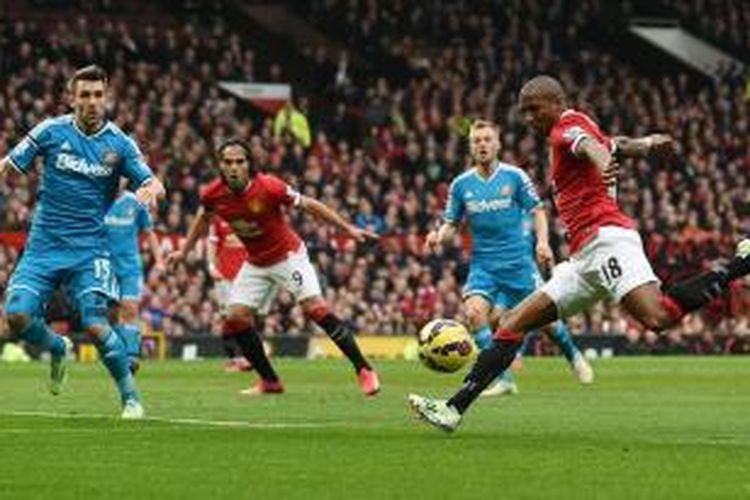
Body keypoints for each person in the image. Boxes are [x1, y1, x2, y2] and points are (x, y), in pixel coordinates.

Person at [408, 75, 750, 432]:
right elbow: (612, 144)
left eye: (533, 109)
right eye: (524, 112)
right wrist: (647, 144)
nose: (528, 119)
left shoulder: (565, 129)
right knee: (511, 324)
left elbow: (591, 146)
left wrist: (603, 161)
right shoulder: (576, 126)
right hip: (584, 258)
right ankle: (452, 410)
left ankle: (742, 262)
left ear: (555, 103)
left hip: (607, 241)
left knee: (658, 317)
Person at [0, 65, 165, 419]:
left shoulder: (119, 144)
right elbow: (8, 166)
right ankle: (58, 346)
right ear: (71, 98)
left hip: (91, 248)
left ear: (106, 97)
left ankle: (131, 398)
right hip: (43, 245)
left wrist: (148, 192)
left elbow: (153, 182)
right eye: (85, 95)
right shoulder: (50, 131)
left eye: (98, 95)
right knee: (15, 315)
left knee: (94, 321)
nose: (92, 102)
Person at [167, 138, 381, 396]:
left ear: (249, 164)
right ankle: (270, 381)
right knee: (235, 317)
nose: (234, 167)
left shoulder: (269, 187)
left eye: (239, 161)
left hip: (288, 255)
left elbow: (309, 205)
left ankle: (363, 369)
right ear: (220, 165)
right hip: (256, 262)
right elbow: (203, 218)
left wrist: (347, 229)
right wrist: (184, 252)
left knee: (315, 308)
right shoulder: (212, 194)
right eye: (228, 162)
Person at [425, 120, 592, 397]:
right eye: (477, 140)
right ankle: (504, 380)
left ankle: (573, 356)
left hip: (519, 264)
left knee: (547, 323)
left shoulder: (514, 177)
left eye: (487, 139)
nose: (482, 145)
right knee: (475, 313)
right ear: (470, 147)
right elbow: (451, 222)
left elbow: (538, 210)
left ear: (497, 144)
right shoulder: (461, 185)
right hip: (484, 266)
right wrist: (438, 236)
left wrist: (542, 242)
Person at [105, 187, 165, 374]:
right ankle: (116, 351)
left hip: (129, 267)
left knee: (130, 309)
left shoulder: (135, 201)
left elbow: (149, 232)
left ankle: (131, 359)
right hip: (102, 266)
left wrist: (159, 261)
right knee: (99, 314)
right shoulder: (95, 197)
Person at [206, 216, 252, 371]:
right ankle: (234, 358)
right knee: (228, 317)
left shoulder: (248, 213)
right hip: (224, 276)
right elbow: (212, 243)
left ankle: (244, 357)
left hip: (246, 274)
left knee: (243, 315)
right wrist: (211, 266)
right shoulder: (219, 218)